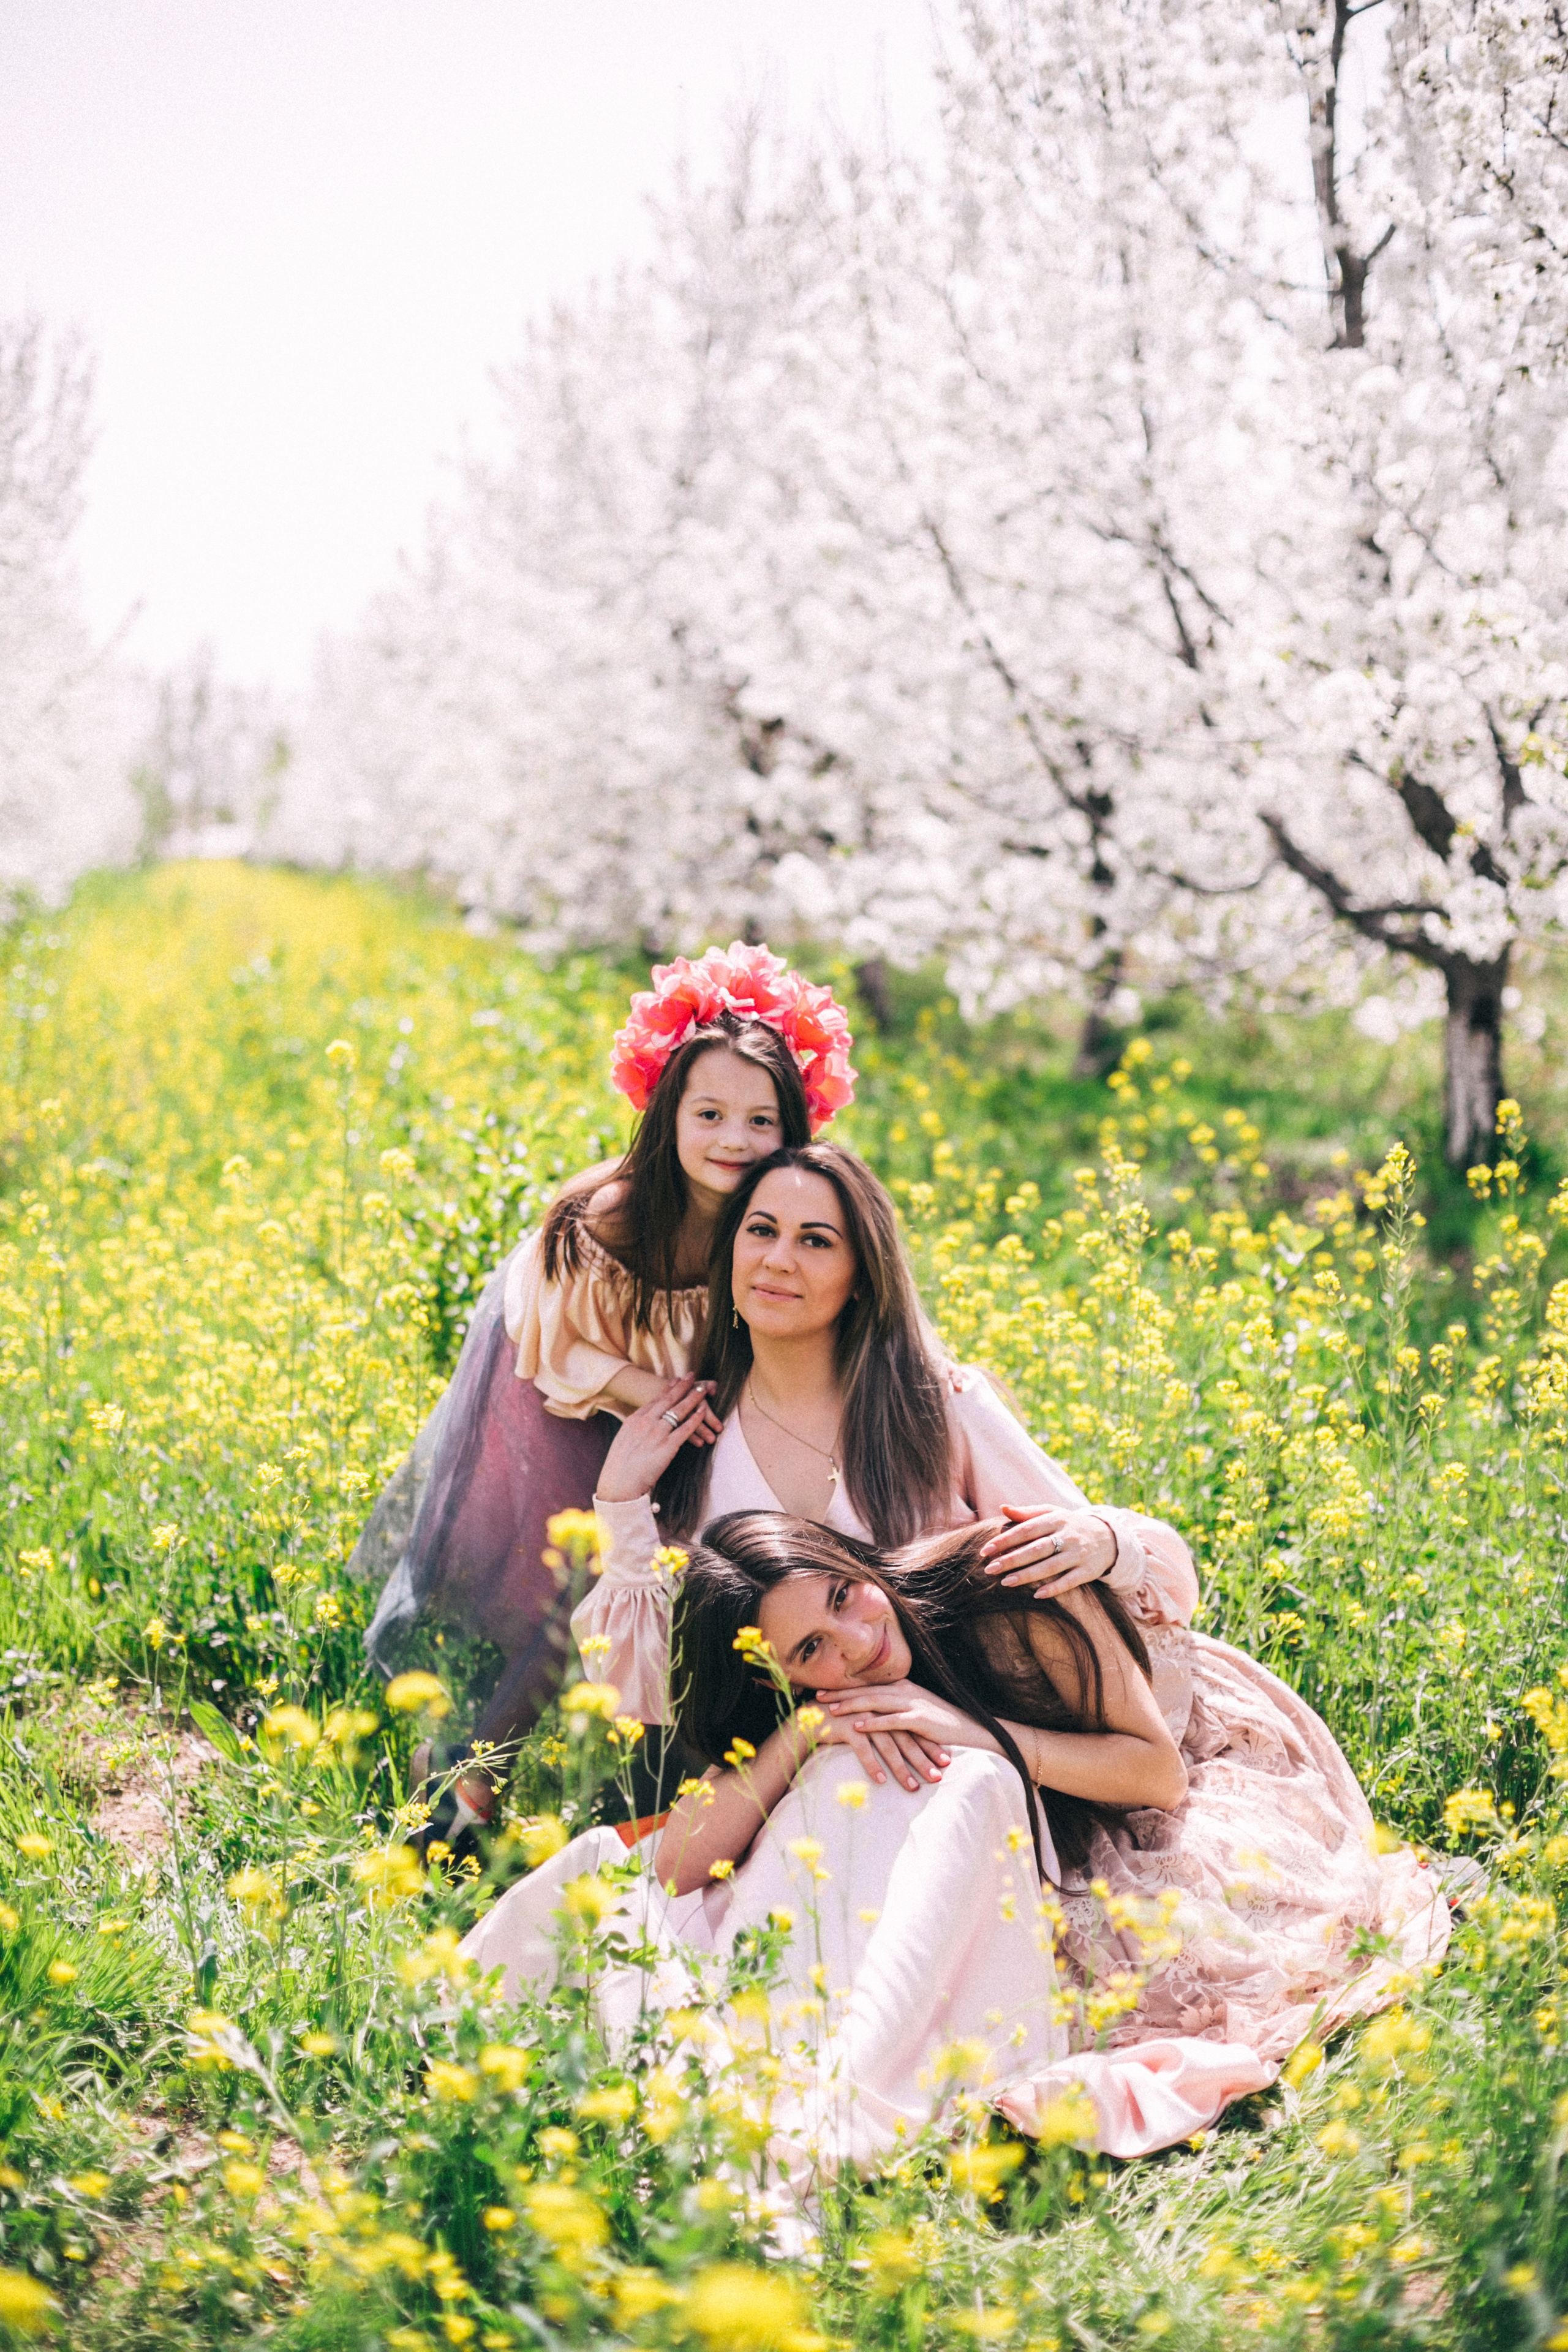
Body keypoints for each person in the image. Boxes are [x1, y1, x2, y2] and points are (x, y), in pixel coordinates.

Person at [349, 943, 854, 1850]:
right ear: (667, 1112)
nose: (733, 1140)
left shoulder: (780, 1216)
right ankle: (466, 1787)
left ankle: (644, 1782)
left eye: (759, 1119)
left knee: (662, 1582)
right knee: (569, 1587)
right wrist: (643, 1391)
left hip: (681, 1414)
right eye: (708, 1113)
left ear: (798, 1126)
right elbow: (549, 1338)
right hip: (566, 1397)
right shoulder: (610, 1216)